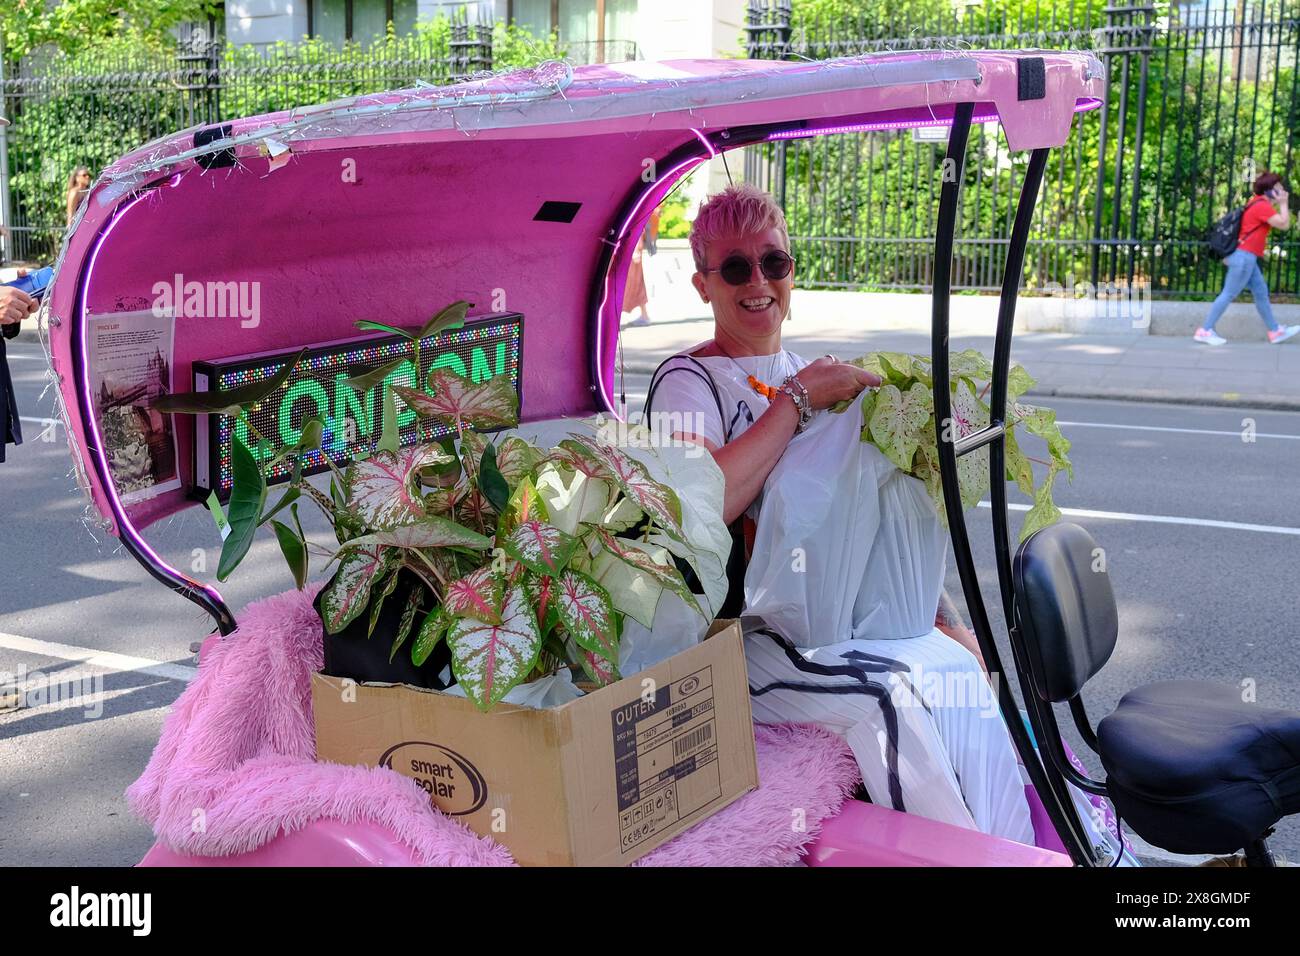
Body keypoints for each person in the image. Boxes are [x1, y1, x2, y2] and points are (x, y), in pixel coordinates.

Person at [643, 183, 1034, 843]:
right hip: (740, 642)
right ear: (703, 285)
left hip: (836, 625)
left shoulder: (811, 371)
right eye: (735, 268)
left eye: (775, 262)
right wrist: (795, 401)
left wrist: (942, 622)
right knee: (886, 698)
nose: (758, 282)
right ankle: (973, 858)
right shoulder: (690, 381)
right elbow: (703, 507)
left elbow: (879, 520)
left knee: (967, 672)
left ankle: (1027, 847)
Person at [1196, 171, 1300, 345]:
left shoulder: (1257, 203)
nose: (1283, 191)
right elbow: (1284, 224)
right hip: (1243, 258)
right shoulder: (1261, 206)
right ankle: (1205, 330)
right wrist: (1284, 203)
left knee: (1260, 293)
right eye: (1279, 188)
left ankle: (1275, 331)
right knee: (1228, 293)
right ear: (1270, 190)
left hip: (1247, 258)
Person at [621, 208, 659, 328]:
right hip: (630, 248)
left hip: (632, 249)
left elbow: (638, 225)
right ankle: (644, 315)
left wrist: (637, 248)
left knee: (632, 282)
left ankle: (642, 315)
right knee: (633, 282)